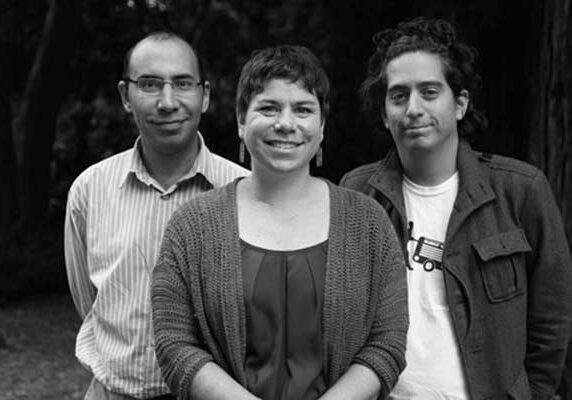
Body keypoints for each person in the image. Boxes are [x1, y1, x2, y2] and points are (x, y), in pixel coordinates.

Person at [151, 45, 408, 400]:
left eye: (303, 109)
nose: (285, 124)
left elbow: (387, 341)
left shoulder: (368, 223)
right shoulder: (191, 227)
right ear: (242, 121)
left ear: (321, 127)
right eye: (269, 108)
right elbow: (173, 343)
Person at [340, 17, 572, 400]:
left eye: (429, 92)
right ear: (384, 113)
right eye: (398, 96)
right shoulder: (357, 193)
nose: (413, 108)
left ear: (460, 103)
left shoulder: (521, 190)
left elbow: (551, 322)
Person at [64, 31, 248, 400]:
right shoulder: (90, 189)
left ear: (205, 95)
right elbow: (88, 302)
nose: (167, 102)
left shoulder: (246, 192)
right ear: (125, 96)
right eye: (149, 84)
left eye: (182, 84)